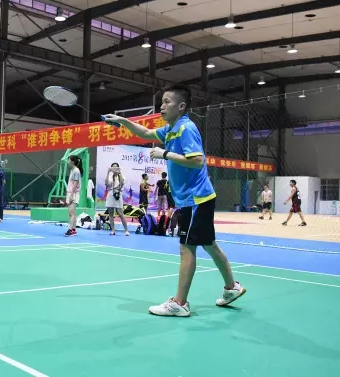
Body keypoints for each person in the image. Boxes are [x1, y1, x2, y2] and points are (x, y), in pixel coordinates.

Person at [103, 84, 246, 317]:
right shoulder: (170, 129)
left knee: (186, 248)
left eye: (167, 102)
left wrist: (165, 154)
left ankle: (180, 303)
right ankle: (232, 287)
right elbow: (146, 133)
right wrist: (123, 121)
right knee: (209, 244)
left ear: (181, 106)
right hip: (196, 198)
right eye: (161, 101)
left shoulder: (186, 128)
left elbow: (198, 160)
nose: (161, 106)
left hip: (195, 199)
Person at [105, 163, 129, 236]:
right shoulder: (110, 176)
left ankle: (126, 230)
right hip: (110, 194)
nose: (114, 169)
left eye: (116, 167)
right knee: (111, 214)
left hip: (118, 194)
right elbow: (106, 184)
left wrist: (119, 172)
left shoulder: (121, 176)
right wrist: (108, 173)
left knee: (120, 213)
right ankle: (113, 230)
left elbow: (122, 183)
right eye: (113, 168)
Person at [64, 155, 83, 237]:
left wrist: (71, 195)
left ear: (72, 161)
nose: (67, 161)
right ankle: (74, 229)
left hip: (74, 193)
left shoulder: (76, 171)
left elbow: (75, 184)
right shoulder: (73, 170)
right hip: (70, 193)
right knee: (72, 213)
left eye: (68, 160)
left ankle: (70, 230)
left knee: (71, 213)